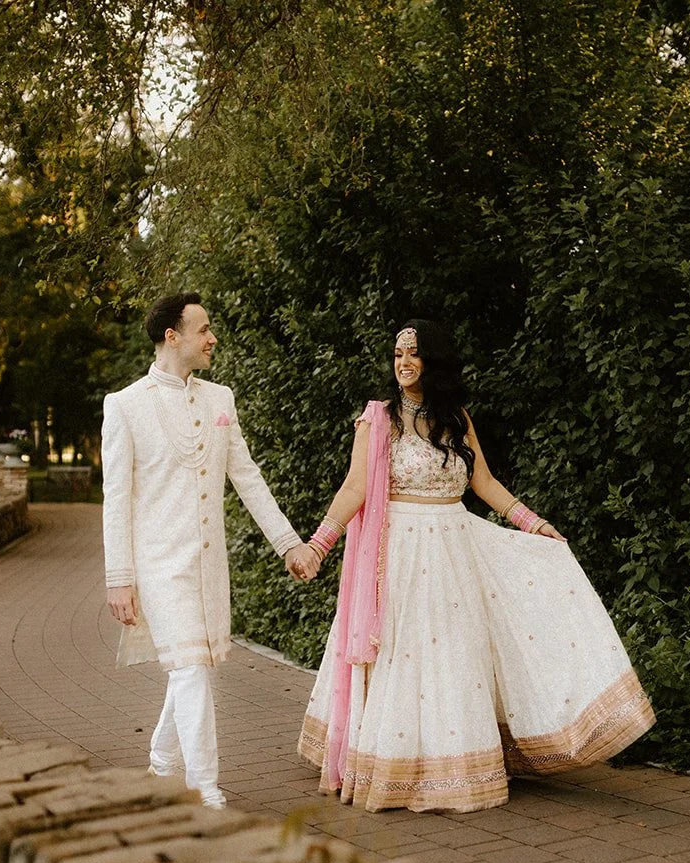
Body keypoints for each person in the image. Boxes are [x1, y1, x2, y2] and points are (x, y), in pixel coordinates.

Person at [296, 320, 655, 812]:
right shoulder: (379, 418)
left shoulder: (456, 418)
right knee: (406, 651)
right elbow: (355, 487)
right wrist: (319, 543)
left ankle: (454, 762)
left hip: (453, 552)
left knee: (454, 652)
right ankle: (394, 763)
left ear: (434, 361)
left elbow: (482, 482)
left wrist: (532, 522)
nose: (402, 362)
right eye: (397, 353)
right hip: (398, 554)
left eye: (414, 353)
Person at [102, 293, 317, 808]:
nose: (212, 338)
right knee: (192, 670)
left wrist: (289, 544)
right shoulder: (125, 405)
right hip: (158, 565)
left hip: (207, 563)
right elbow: (116, 498)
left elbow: (247, 478)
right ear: (171, 336)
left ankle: (161, 758)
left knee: (191, 665)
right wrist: (119, 576)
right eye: (203, 329)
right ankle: (205, 790)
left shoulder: (221, 400)